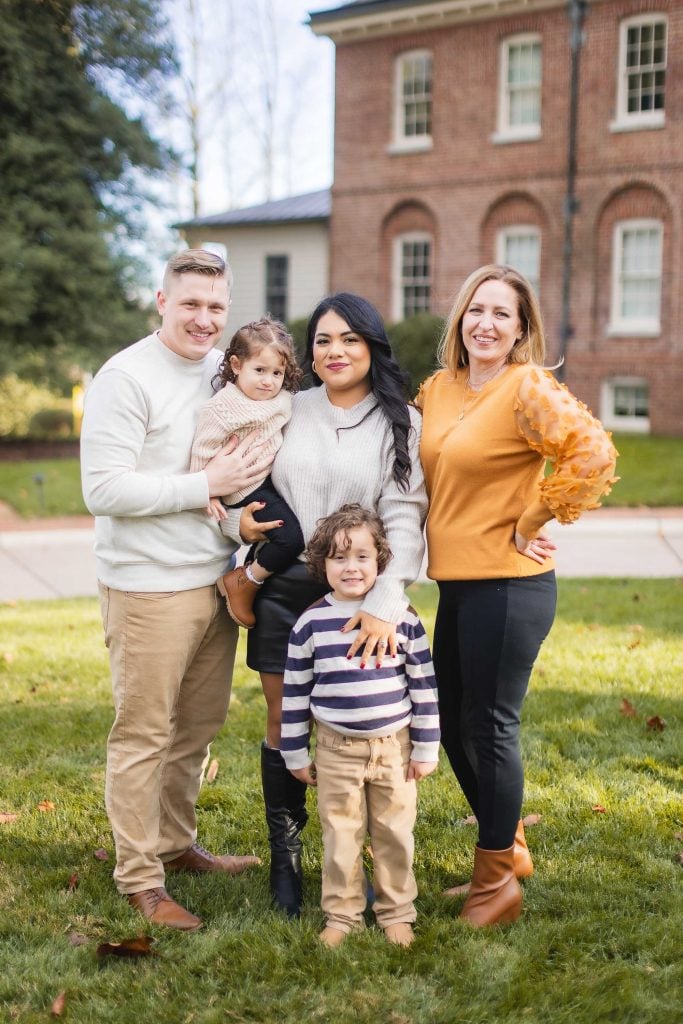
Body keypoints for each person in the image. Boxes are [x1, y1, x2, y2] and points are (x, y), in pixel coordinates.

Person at [416, 264, 618, 927]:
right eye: (477, 310)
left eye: (502, 314)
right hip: (456, 583)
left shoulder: (526, 387)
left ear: (521, 329)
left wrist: (530, 519)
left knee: (490, 727)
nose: (486, 324)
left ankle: (494, 885)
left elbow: (589, 454)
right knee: (448, 723)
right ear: (460, 319)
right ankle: (508, 848)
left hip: (509, 585)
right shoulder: (438, 390)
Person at [80, 249, 271, 932]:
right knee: (143, 734)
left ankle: (174, 843)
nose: (203, 318)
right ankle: (140, 880)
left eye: (215, 307)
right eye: (189, 303)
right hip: (147, 591)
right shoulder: (125, 377)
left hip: (212, 583)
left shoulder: (223, 373)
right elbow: (101, 488)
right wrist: (204, 486)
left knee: (194, 729)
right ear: (161, 301)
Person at [227, 292, 428, 919]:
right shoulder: (287, 408)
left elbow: (404, 511)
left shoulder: (400, 421)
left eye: (349, 339)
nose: (334, 351)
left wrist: (386, 603)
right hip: (285, 588)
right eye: (322, 340)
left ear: (372, 346)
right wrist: (238, 531)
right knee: (283, 719)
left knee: (362, 726)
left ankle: (358, 857)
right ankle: (285, 863)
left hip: (360, 595)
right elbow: (240, 476)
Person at [280, 505, 440, 948]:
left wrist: (426, 748)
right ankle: (343, 915)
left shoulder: (402, 618)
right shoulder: (311, 623)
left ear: (380, 561)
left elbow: (423, 685)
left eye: (362, 557)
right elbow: (295, 693)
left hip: (395, 748)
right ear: (321, 565)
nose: (351, 567)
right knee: (341, 835)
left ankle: (396, 912)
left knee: (393, 833)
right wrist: (295, 753)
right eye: (339, 558)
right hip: (335, 748)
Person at [189, 316, 305, 628]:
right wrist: (206, 490)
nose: (269, 380)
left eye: (277, 372)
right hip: (245, 488)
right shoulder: (224, 406)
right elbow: (202, 449)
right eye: (260, 370)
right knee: (292, 538)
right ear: (237, 366)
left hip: (268, 480)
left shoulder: (281, 400)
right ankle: (244, 581)